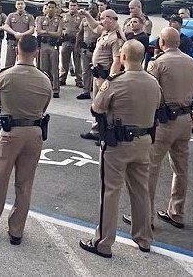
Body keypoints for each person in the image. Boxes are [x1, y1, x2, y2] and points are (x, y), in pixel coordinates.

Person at [80, 39, 161, 258]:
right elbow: (157, 107)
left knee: (111, 191)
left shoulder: (116, 81)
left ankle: (103, 242)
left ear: (123, 57)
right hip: (144, 141)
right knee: (141, 190)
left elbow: (97, 107)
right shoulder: (153, 82)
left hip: (118, 144)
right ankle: (144, 238)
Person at [0, 35, 52, 245]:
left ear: (17, 50)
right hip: (34, 133)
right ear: (37, 53)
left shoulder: (5, 75)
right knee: (25, 184)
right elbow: (44, 107)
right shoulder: (45, 79)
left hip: (9, 133)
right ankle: (16, 230)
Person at [130, 28, 193, 230]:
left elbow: (146, 91)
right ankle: (177, 212)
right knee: (181, 168)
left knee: (150, 168)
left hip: (164, 122)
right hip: (185, 120)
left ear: (162, 42)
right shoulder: (191, 62)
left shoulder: (158, 63)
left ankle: (145, 217)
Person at [79, 9, 125, 141]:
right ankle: (96, 131)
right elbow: (94, 26)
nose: (101, 21)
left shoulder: (117, 38)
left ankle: (105, 134)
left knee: (105, 106)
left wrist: (110, 80)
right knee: (97, 104)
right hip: (98, 74)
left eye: (103, 18)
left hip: (105, 75)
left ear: (111, 19)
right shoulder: (106, 31)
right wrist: (87, 15)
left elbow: (117, 60)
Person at [35, 1, 63, 98]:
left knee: (54, 68)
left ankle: (55, 89)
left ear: (56, 9)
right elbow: (38, 31)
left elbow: (59, 33)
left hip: (53, 46)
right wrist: (51, 32)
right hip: (43, 45)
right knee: (43, 67)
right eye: (49, 7)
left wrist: (46, 32)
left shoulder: (59, 20)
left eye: (53, 7)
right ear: (46, 8)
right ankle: (43, 88)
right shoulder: (41, 19)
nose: (51, 9)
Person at [76, 2, 101, 100]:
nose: (91, 10)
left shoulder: (101, 21)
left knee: (97, 72)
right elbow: (80, 33)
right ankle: (86, 91)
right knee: (85, 71)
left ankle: (98, 93)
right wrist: (77, 46)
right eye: (89, 8)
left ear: (97, 9)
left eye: (93, 8)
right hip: (85, 49)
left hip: (96, 50)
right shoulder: (84, 20)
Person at [2, 0, 35, 67]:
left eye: (22, 4)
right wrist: (15, 33)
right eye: (18, 4)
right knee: (9, 63)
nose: (20, 6)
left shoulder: (29, 16)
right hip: (12, 41)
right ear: (15, 6)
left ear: (25, 5)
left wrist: (22, 35)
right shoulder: (11, 15)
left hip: (24, 42)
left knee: (24, 62)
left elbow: (31, 30)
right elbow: (6, 26)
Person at [60, 0, 82, 87]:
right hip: (66, 41)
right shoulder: (63, 16)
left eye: (74, 5)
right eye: (71, 5)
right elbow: (59, 27)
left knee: (78, 62)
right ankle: (62, 78)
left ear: (77, 6)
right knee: (64, 61)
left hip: (77, 42)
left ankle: (79, 80)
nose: (72, 7)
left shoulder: (81, 17)